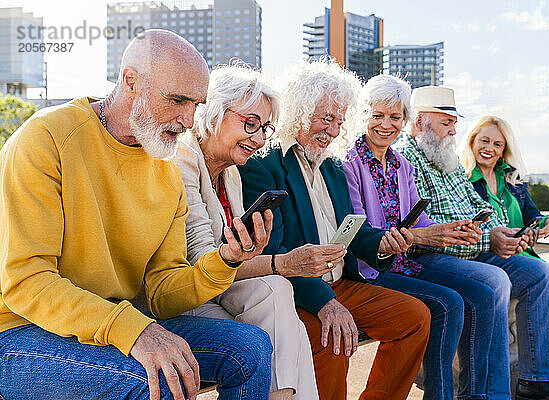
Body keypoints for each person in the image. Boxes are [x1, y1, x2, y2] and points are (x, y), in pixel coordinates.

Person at [0, 30, 273, 400]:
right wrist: (134, 329)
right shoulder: (45, 139)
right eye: (178, 100)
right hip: (21, 330)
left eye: (196, 105)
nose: (189, 120)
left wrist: (224, 261)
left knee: (250, 348)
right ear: (131, 81)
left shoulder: (167, 170)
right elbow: (26, 282)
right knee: (152, 381)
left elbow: (161, 293)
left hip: (118, 324)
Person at [238, 60, 431, 400]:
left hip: (342, 283)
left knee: (415, 318)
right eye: (326, 118)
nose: (332, 130)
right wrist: (326, 302)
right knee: (333, 339)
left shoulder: (332, 166)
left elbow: (353, 232)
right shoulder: (264, 166)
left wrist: (383, 244)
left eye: (339, 122)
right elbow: (275, 254)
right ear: (300, 110)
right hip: (299, 291)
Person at [342, 74, 518, 400]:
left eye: (395, 117)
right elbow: (359, 228)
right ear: (363, 115)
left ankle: (475, 395)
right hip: (371, 270)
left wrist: (449, 232)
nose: (386, 124)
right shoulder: (349, 161)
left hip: (405, 263)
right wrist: (425, 235)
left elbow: (420, 219)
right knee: (449, 303)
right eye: (377, 115)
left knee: (480, 295)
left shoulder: (400, 164)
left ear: (405, 120)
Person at [400, 85, 549, 400]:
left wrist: (501, 234)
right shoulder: (408, 158)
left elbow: (477, 212)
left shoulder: (446, 158)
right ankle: (491, 394)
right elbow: (428, 230)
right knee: (494, 280)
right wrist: (488, 240)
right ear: (420, 121)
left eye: (454, 123)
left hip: (473, 249)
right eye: (445, 122)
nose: (454, 130)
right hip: (431, 256)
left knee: (538, 274)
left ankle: (537, 381)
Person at [172, 64, 321, 400]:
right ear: (213, 111)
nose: (258, 138)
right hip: (182, 295)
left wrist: (252, 250)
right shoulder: (182, 158)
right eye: (250, 123)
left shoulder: (231, 174)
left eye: (265, 128)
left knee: (287, 318)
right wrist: (280, 262)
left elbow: (229, 255)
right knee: (275, 290)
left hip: (217, 290)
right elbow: (201, 259)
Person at [461, 115, 549, 399]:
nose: (490, 148)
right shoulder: (462, 181)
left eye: (498, 144)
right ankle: (547, 377)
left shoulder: (512, 179)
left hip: (525, 257)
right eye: (484, 140)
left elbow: (533, 218)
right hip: (490, 257)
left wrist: (548, 224)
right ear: (472, 142)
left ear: (504, 149)